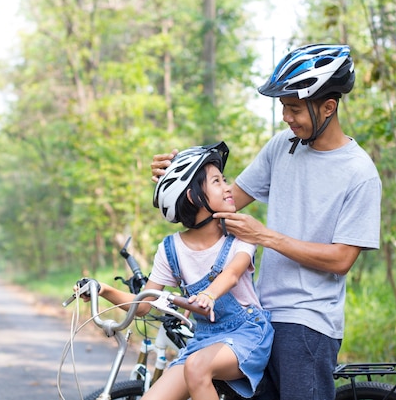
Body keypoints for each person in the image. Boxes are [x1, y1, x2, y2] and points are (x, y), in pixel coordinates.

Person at [150, 44, 382, 400]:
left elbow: (341, 260)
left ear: (328, 107)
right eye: (282, 108)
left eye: (293, 108)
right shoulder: (283, 146)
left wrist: (267, 237)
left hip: (306, 322)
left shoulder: (359, 173)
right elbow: (226, 203)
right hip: (257, 318)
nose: (286, 118)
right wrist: (181, 182)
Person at [79, 142, 273, 400]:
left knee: (196, 367)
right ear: (194, 196)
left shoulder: (240, 235)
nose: (228, 187)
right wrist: (102, 289)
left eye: (224, 180)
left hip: (247, 333)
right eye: (217, 181)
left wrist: (210, 294)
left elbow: (232, 273)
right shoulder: (171, 249)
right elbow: (145, 303)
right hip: (204, 339)